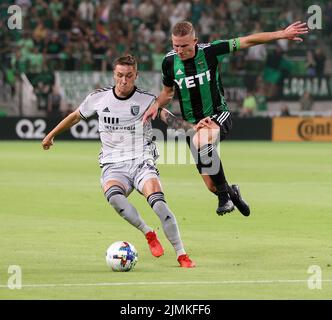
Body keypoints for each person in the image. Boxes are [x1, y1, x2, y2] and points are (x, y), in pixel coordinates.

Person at [42, 54, 195, 268]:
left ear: (136, 76)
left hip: (142, 161)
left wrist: (192, 129)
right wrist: (51, 134)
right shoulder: (98, 98)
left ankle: (181, 254)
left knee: (159, 204)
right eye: (120, 76)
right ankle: (148, 233)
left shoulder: (146, 99)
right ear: (114, 75)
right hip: (113, 165)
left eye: (129, 76)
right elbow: (76, 116)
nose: (124, 81)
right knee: (114, 198)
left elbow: (167, 117)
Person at [143, 20, 308, 216]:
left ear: (195, 41)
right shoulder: (169, 62)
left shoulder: (210, 51)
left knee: (201, 141)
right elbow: (167, 93)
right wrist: (155, 104)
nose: (179, 50)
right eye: (175, 45)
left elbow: (247, 41)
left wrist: (280, 34)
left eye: (184, 46)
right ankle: (231, 192)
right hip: (192, 126)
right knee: (211, 185)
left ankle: (224, 198)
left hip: (217, 115)